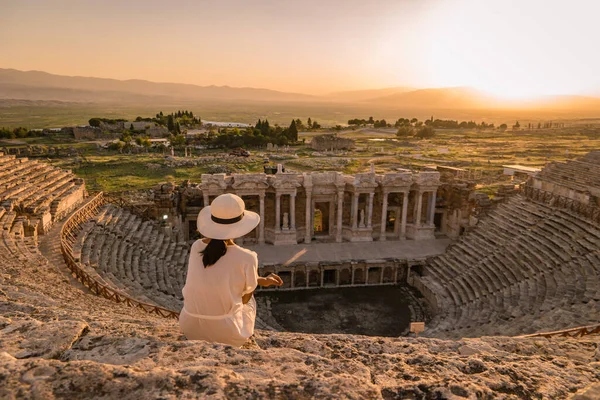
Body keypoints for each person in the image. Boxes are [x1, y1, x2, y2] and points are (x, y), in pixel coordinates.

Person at [179, 193, 283, 347]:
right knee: (249, 301)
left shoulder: (196, 247)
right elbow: (244, 298)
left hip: (189, 327)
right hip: (226, 334)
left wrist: (261, 280)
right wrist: (256, 282)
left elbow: (216, 275)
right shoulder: (247, 257)